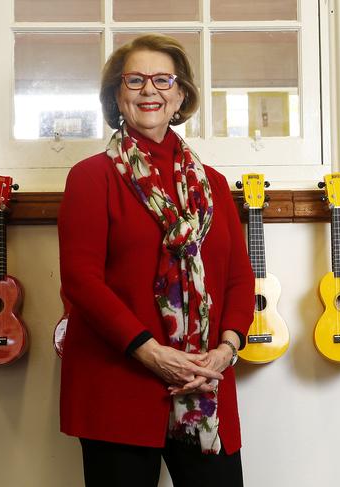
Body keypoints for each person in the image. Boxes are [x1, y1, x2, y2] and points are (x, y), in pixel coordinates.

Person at [57, 33, 255, 487]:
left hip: (205, 380)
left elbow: (240, 279)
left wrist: (226, 351)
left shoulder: (215, 186)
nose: (150, 90)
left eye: (164, 79)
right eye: (135, 80)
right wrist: (152, 353)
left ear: (181, 93)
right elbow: (81, 281)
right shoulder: (91, 177)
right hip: (117, 381)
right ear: (116, 94)